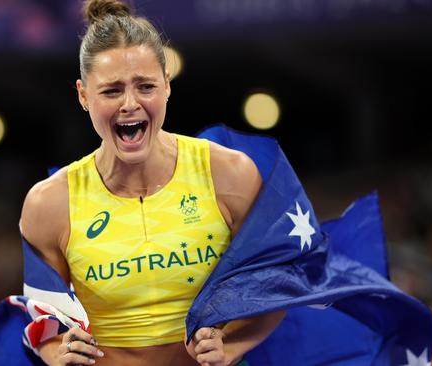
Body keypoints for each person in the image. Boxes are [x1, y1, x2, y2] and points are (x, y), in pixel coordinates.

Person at [19, 1, 286, 365]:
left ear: (167, 85)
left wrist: (232, 346)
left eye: (145, 86)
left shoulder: (229, 175)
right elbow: (45, 321)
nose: (130, 103)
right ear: (83, 95)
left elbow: (279, 284)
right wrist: (56, 353)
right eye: (111, 91)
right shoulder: (48, 205)